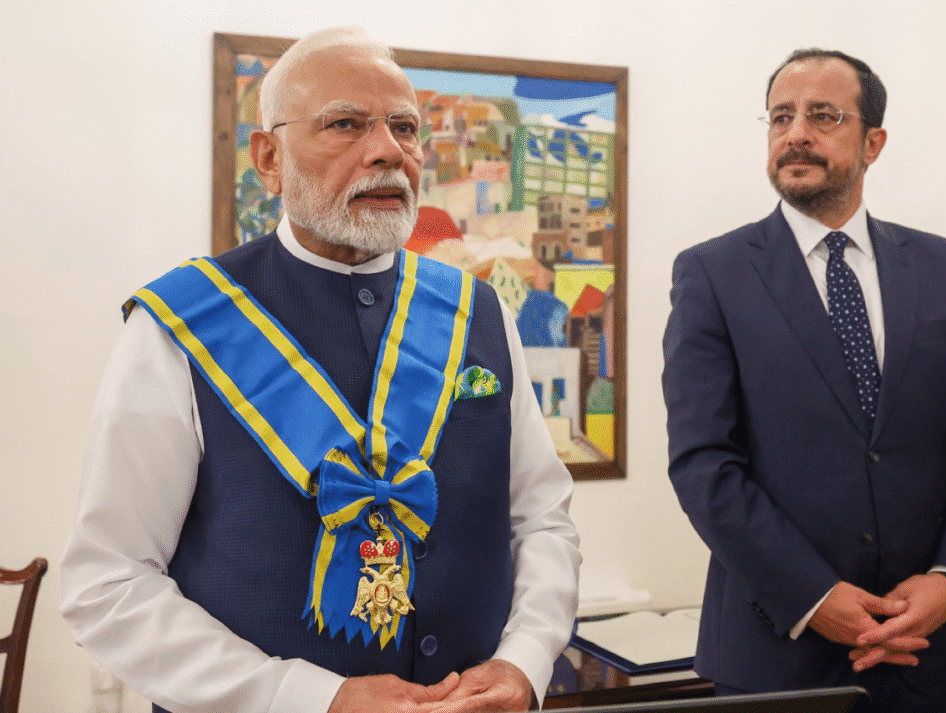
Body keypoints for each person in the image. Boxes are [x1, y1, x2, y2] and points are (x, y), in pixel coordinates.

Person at [61, 26, 581, 713]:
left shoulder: (478, 313)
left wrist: (526, 659)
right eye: (346, 124)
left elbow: (543, 520)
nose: (387, 152)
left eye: (404, 127)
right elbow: (106, 580)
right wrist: (305, 697)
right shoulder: (175, 327)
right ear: (269, 158)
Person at [661, 48, 946, 713]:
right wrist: (813, 595)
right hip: (779, 654)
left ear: (873, 141)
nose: (795, 132)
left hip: (933, 656)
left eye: (823, 115)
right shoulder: (712, 275)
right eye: (780, 116)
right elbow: (704, 463)